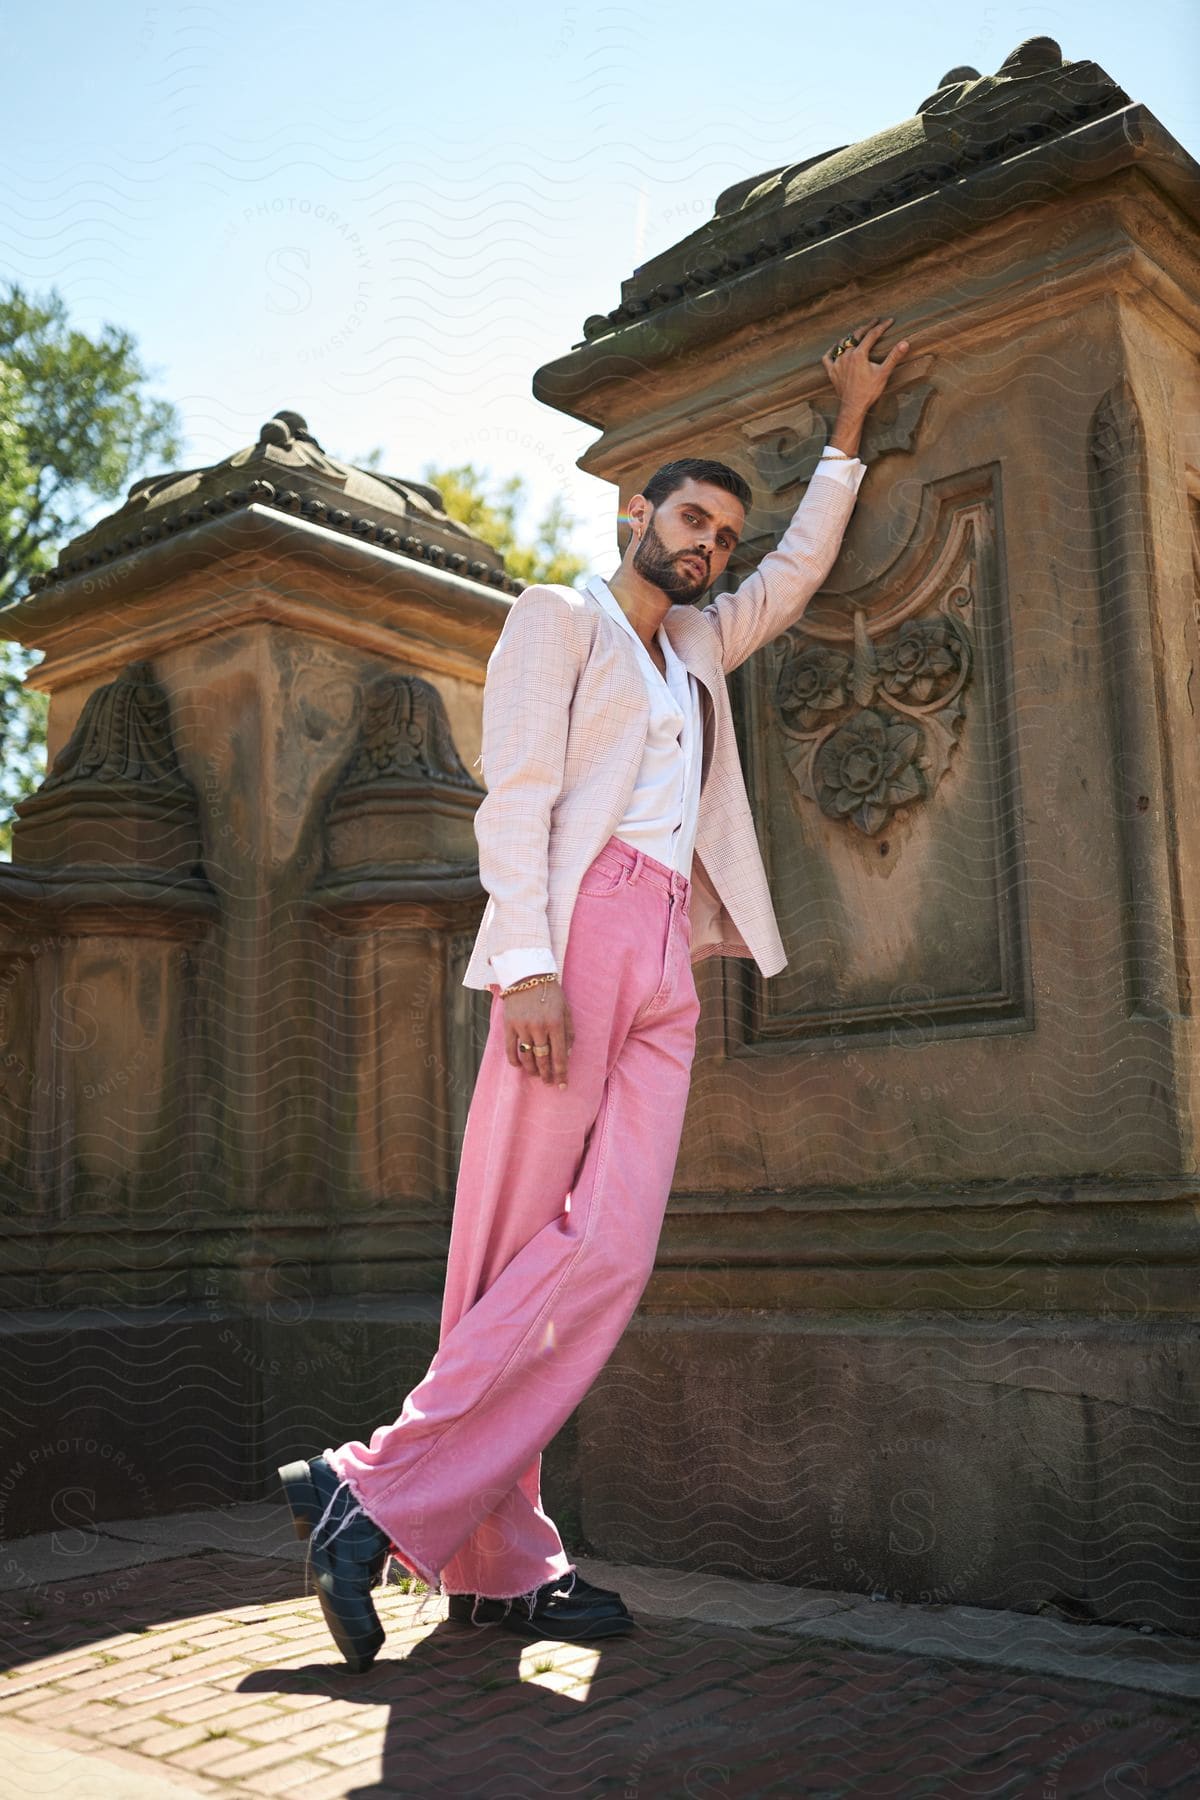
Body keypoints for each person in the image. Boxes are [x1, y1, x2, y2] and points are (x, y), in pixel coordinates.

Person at [279, 317, 911, 1670]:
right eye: (690, 519)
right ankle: (492, 1562)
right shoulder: (557, 620)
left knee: (608, 1251)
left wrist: (847, 428)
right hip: (572, 939)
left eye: (719, 539)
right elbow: (514, 801)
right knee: (510, 1255)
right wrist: (530, 967)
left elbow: (796, 576)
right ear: (637, 510)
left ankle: (370, 1486)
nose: (705, 548)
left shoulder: (696, 647)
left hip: (669, 952)